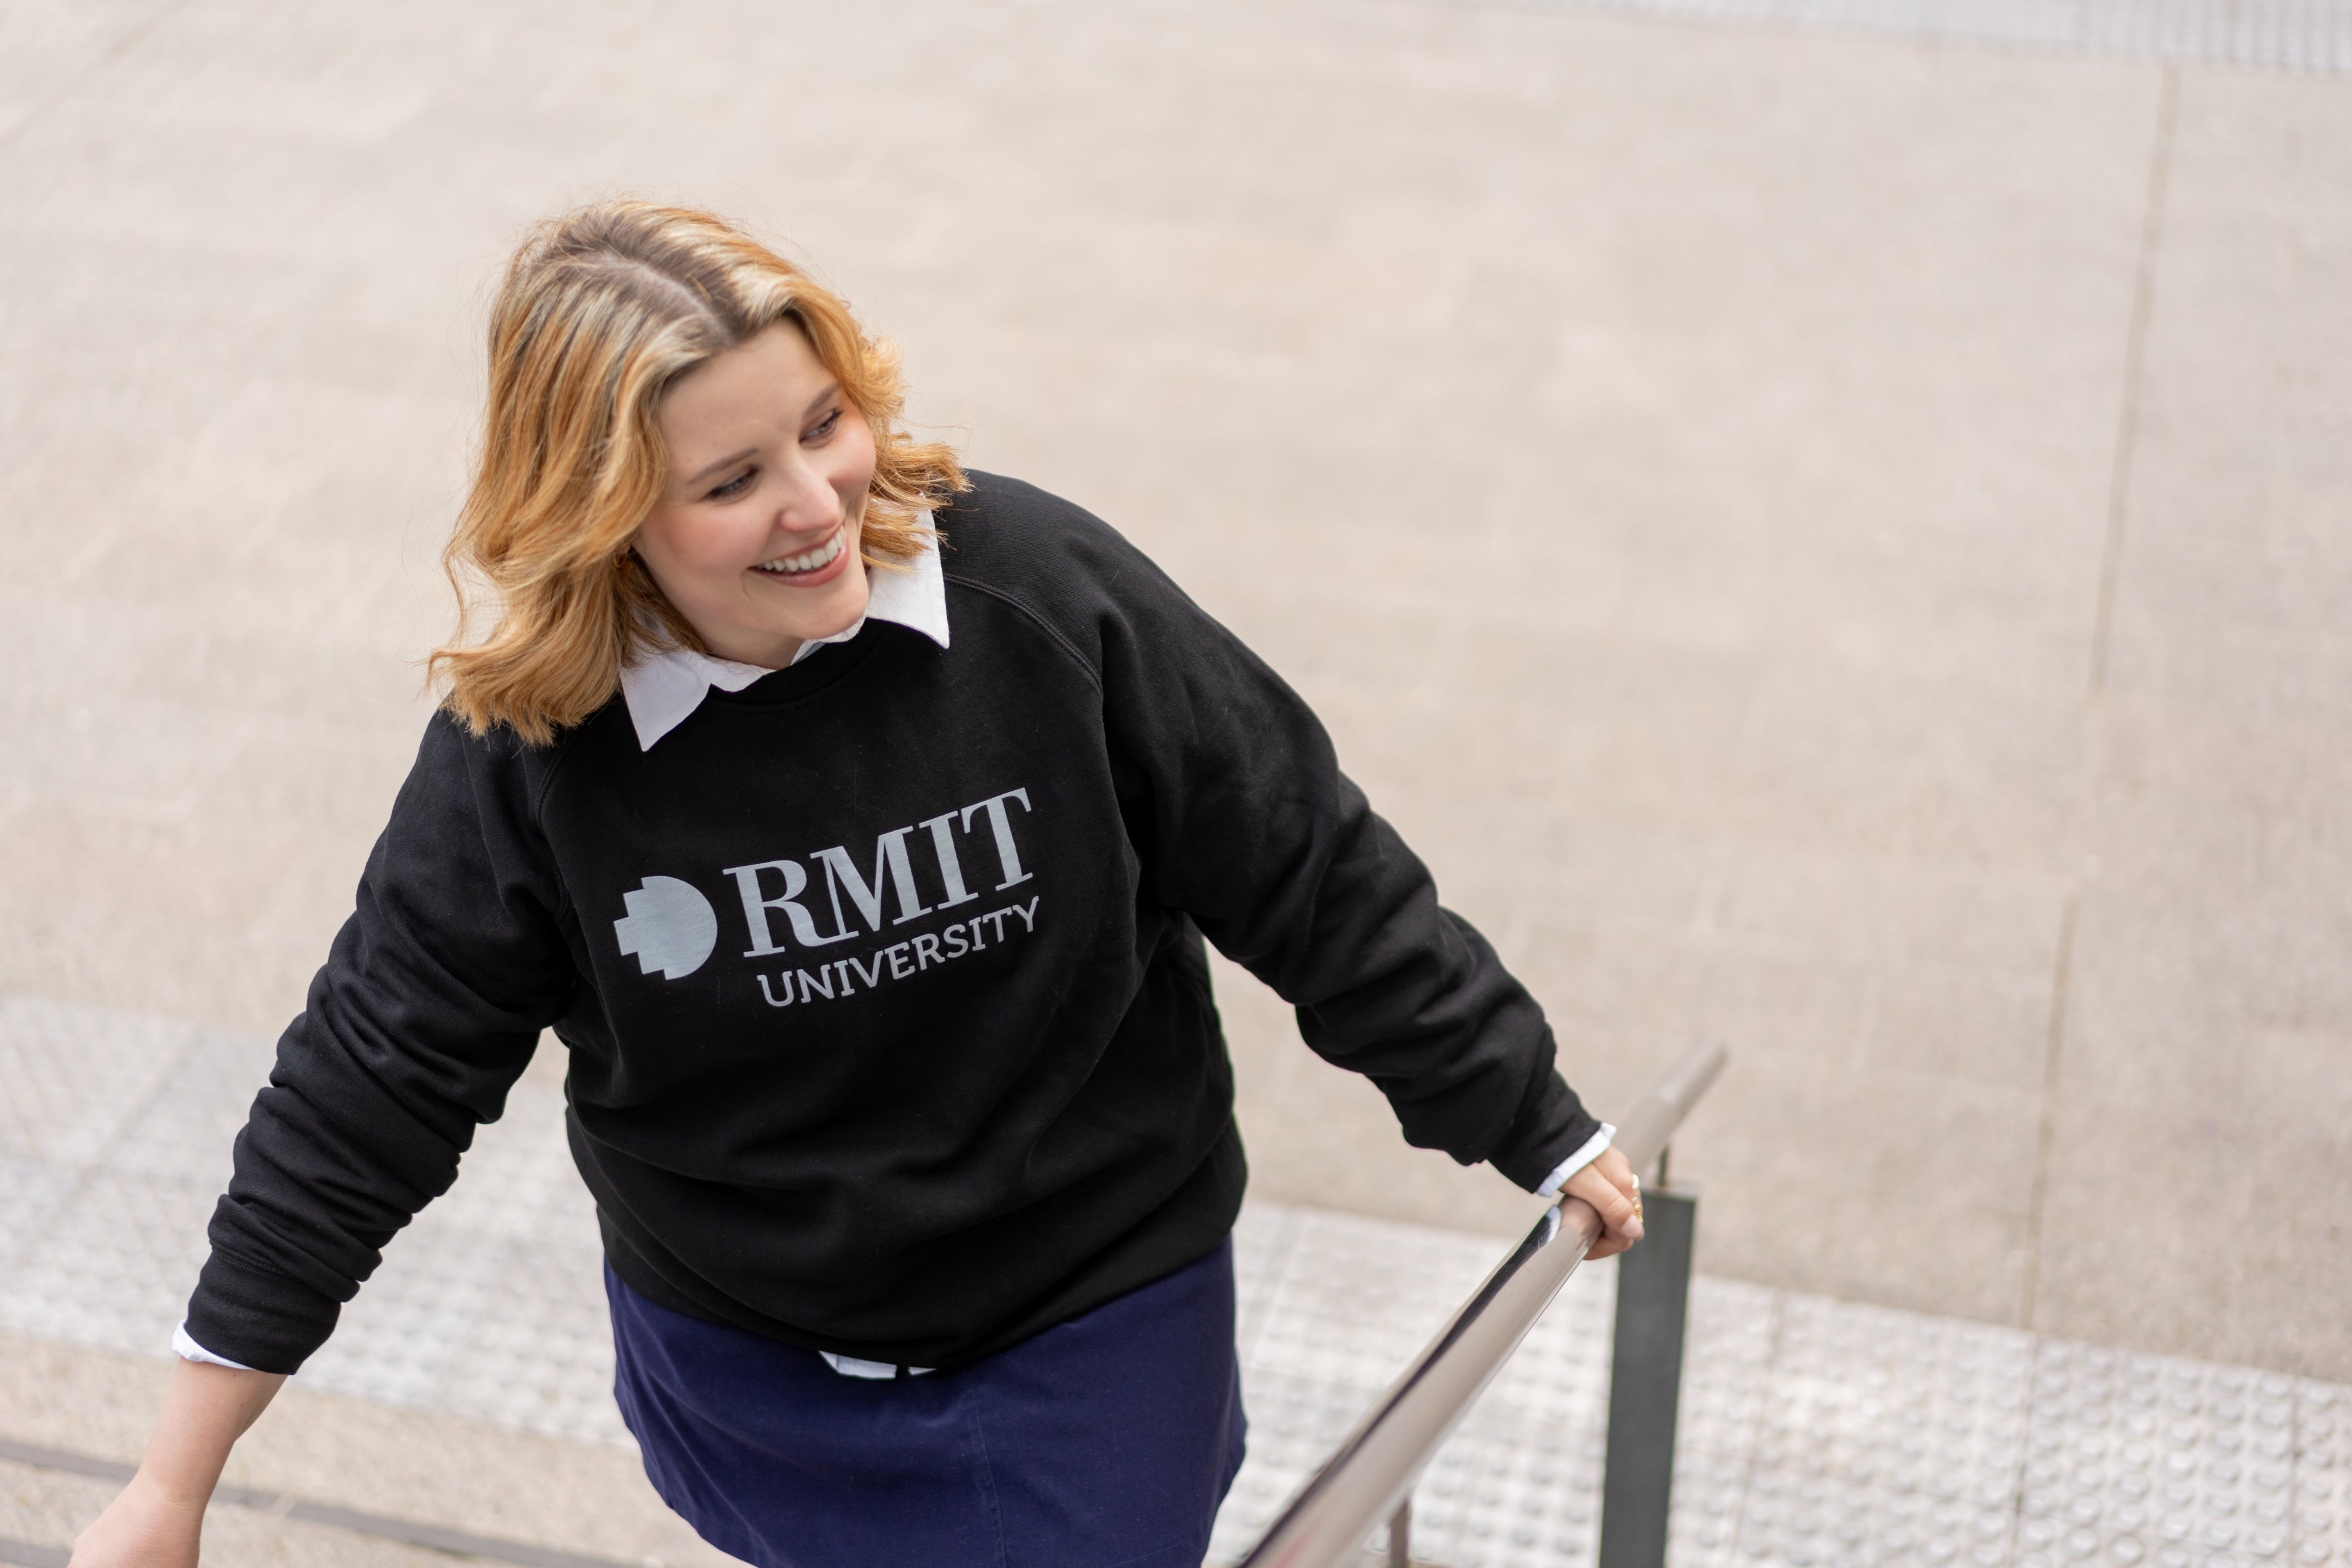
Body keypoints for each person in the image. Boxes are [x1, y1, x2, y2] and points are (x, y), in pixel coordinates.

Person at [69, 199, 1645, 1568]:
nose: (819, 504)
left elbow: (1304, 856)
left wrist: (1531, 1117)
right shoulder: (537, 748)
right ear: (610, 514)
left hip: (1094, 1295)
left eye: (824, 424)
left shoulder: (1040, 595)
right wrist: (170, 1477)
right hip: (750, 1356)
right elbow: (368, 1087)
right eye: (733, 477)